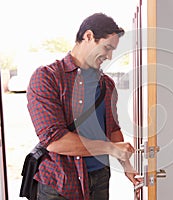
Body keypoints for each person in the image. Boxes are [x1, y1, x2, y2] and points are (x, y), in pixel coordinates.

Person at [27, 13, 141, 200]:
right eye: (107, 47)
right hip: (60, 183)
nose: (109, 56)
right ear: (88, 36)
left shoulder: (107, 84)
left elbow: (112, 129)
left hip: (100, 178)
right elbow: (55, 141)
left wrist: (127, 167)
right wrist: (110, 148)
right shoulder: (47, 78)